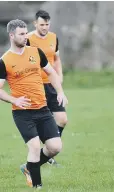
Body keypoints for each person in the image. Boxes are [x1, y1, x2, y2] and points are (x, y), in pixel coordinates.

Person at [0, 19, 68, 189]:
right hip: (23, 113)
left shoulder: (36, 52)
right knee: (35, 146)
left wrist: (60, 91)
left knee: (55, 147)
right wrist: (13, 100)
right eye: (21, 34)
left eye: (25, 33)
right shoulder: (4, 60)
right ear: (11, 35)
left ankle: (28, 167)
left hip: (43, 109)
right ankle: (37, 186)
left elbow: (51, 73)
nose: (25, 37)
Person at [26, 10, 67, 165]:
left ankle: (49, 151)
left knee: (62, 120)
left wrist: (59, 76)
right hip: (36, 86)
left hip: (51, 84)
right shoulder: (28, 39)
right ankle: (47, 153)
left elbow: (56, 58)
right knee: (40, 121)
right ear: (35, 23)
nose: (45, 27)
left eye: (47, 24)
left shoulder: (53, 37)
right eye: (42, 24)